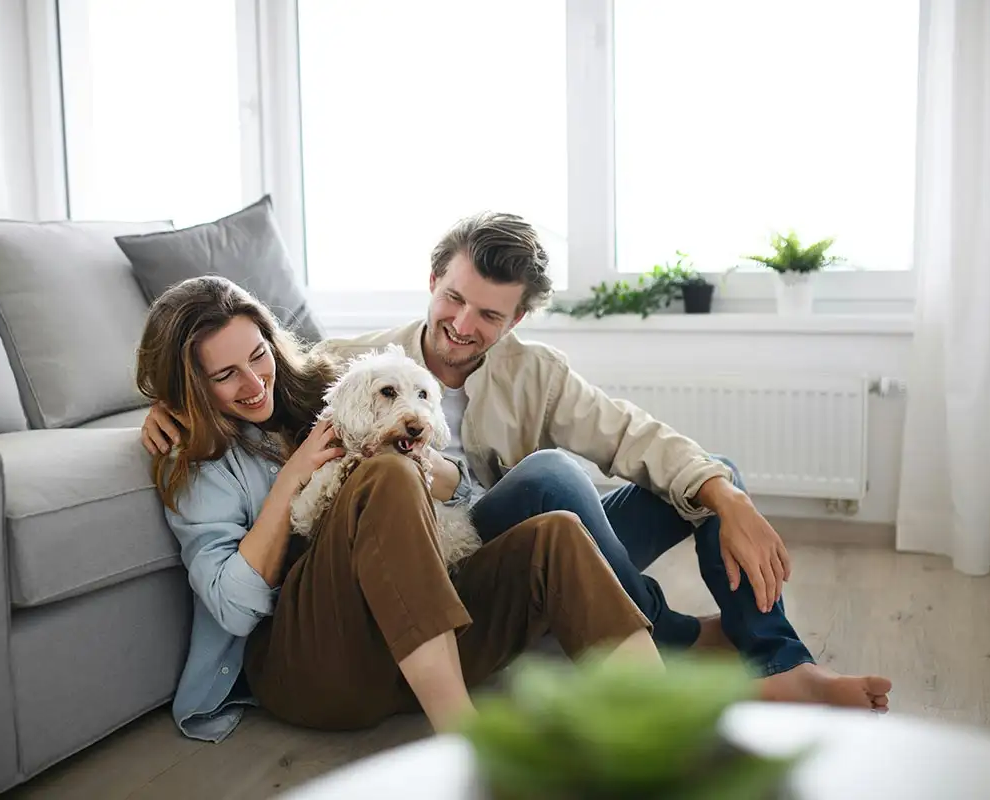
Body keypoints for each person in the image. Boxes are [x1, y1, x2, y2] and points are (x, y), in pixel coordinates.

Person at [141, 213, 892, 713]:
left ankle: (780, 663)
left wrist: (728, 497)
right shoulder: (351, 366)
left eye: (489, 315)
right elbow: (247, 383)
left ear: (516, 319)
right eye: (454, 299)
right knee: (553, 479)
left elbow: (629, 435)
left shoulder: (537, 371)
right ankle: (673, 638)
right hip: (436, 564)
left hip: (488, 544)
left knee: (704, 476)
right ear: (432, 281)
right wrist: (167, 405)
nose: (463, 326)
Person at [136, 274, 665, 742]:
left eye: (258, 357)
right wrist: (291, 478)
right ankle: (467, 745)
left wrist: (437, 470)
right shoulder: (196, 461)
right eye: (225, 375)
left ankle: (672, 719)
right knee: (385, 472)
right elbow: (231, 608)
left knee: (556, 534)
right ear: (192, 386)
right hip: (311, 671)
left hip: (402, 653)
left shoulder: (325, 388)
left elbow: (464, 500)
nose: (254, 383)